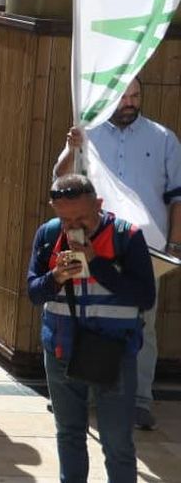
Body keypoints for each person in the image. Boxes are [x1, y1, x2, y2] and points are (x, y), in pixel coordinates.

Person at [53, 79, 181, 431]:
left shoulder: (164, 138)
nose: (130, 103)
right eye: (124, 96)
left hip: (147, 248)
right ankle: (88, 393)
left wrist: (174, 245)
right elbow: (60, 179)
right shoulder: (88, 135)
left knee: (144, 325)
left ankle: (140, 400)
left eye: (136, 96)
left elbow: (177, 198)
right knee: (88, 316)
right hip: (93, 243)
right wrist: (70, 148)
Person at [27, 175, 155, 483]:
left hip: (113, 352)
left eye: (82, 217)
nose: (74, 226)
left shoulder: (127, 236)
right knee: (69, 433)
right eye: (65, 218)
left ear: (98, 204)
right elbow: (33, 292)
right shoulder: (48, 234)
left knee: (117, 443)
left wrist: (97, 264)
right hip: (61, 349)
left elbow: (145, 298)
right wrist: (55, 277)